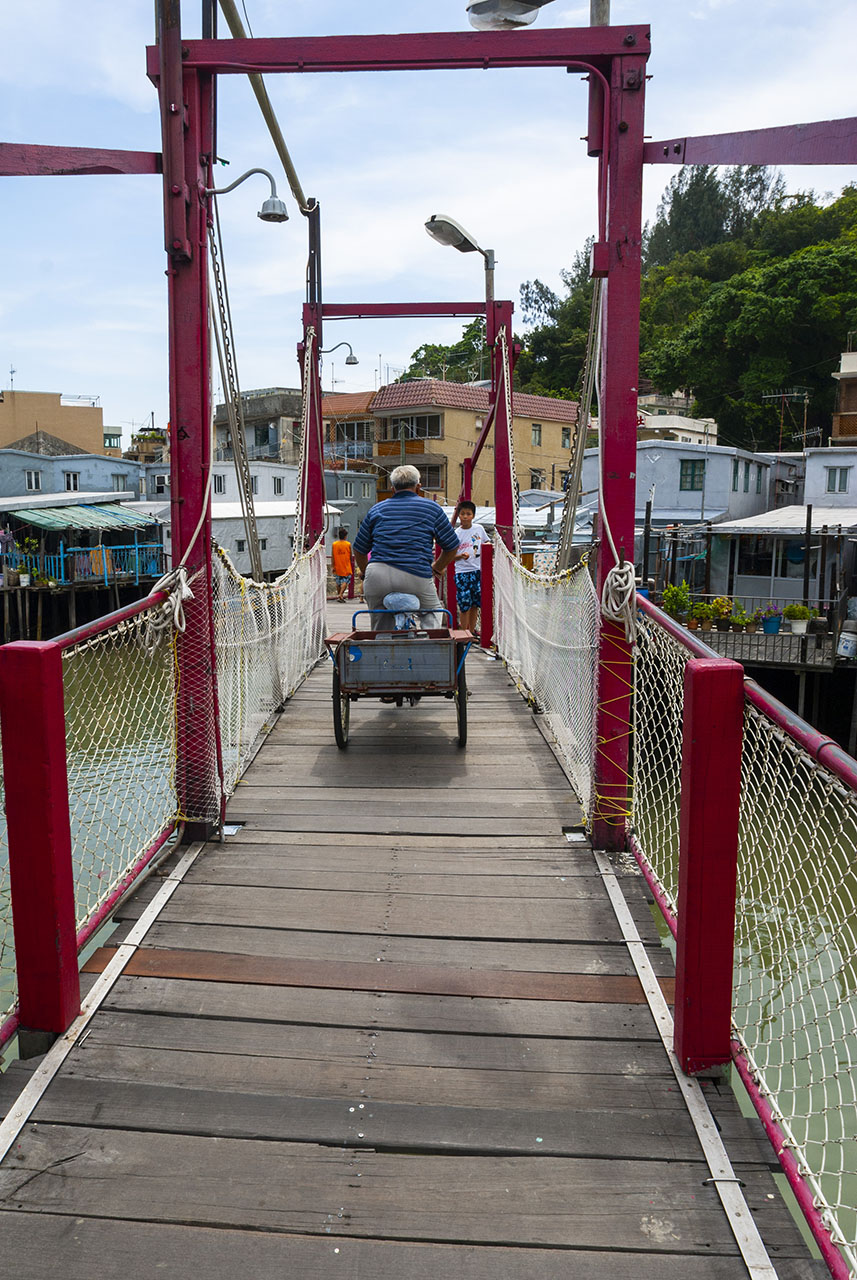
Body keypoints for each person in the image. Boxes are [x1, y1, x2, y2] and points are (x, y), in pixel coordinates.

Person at [353, 464, 459, 628]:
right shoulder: (432, 508)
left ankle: (380, 645)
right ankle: (428, 646)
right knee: (433, 613)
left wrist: (366, 572)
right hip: (415, 574)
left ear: (392, 488)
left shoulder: (376, 509)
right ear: (418, 487)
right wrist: (438, 567)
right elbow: (451, 546)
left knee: (380, 626)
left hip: (378, 574)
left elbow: (359, 549)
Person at [452, 500, 490, 633]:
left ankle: (472, 631)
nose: (465, 516)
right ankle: (463, 632)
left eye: (468, 514)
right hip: (462, 572)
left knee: (475, 603)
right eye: (462, 514)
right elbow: (450, 555)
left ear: (473, 515)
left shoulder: (479, 529)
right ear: (459, 516)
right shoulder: (456, 534)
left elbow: (487, 543)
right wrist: (460, 556)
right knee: (464, 604)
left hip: (477, 571)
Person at [331, 527, 356, 602]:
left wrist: (332, 565)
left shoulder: (334, 544)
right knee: (345, 581)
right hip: (346, 565)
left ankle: (339, 596)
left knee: (338, 582)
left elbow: (332, 556)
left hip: (337, 565)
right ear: (345, 536)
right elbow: (350, 555)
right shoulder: (348, 544)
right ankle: (341, 594)